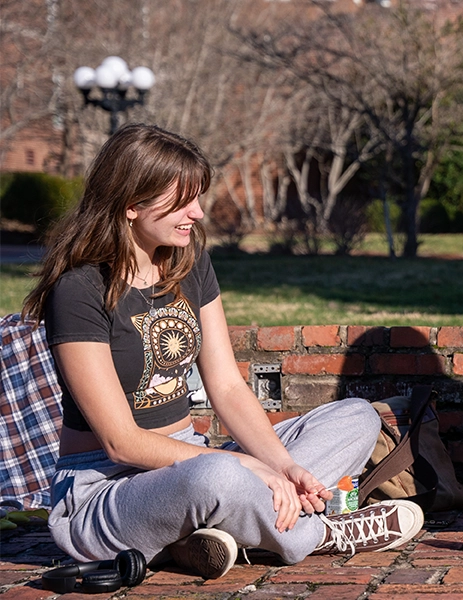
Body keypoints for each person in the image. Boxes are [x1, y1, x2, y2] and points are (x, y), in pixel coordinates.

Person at [23, 124, 423, 580]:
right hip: (105, 492)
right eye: (183, 200)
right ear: (131, 204)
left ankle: (214, 532)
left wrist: (284, 467)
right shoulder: (79, 290)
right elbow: (120, 441)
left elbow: (228, 386)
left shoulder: (187, 261)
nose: (196, 213)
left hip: (192, 459)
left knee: (357, 419)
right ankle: (321, 533)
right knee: (216, 479)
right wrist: (247, 465)